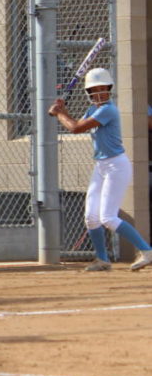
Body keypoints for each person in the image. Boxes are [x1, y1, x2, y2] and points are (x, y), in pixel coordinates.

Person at [48, 67, 152, 271]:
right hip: (101, 166)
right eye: (95, 89)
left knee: (107, 217)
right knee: (91, 217)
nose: (99, 93)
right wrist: (64, 110)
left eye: (103, 89)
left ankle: (147, 251)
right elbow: (77, 123)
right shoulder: (92, 110)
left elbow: (75, 129)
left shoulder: (108, 110)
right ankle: (103, 259)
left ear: (109, 89)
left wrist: (59, 114)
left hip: (116, 165)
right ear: (88, 92)